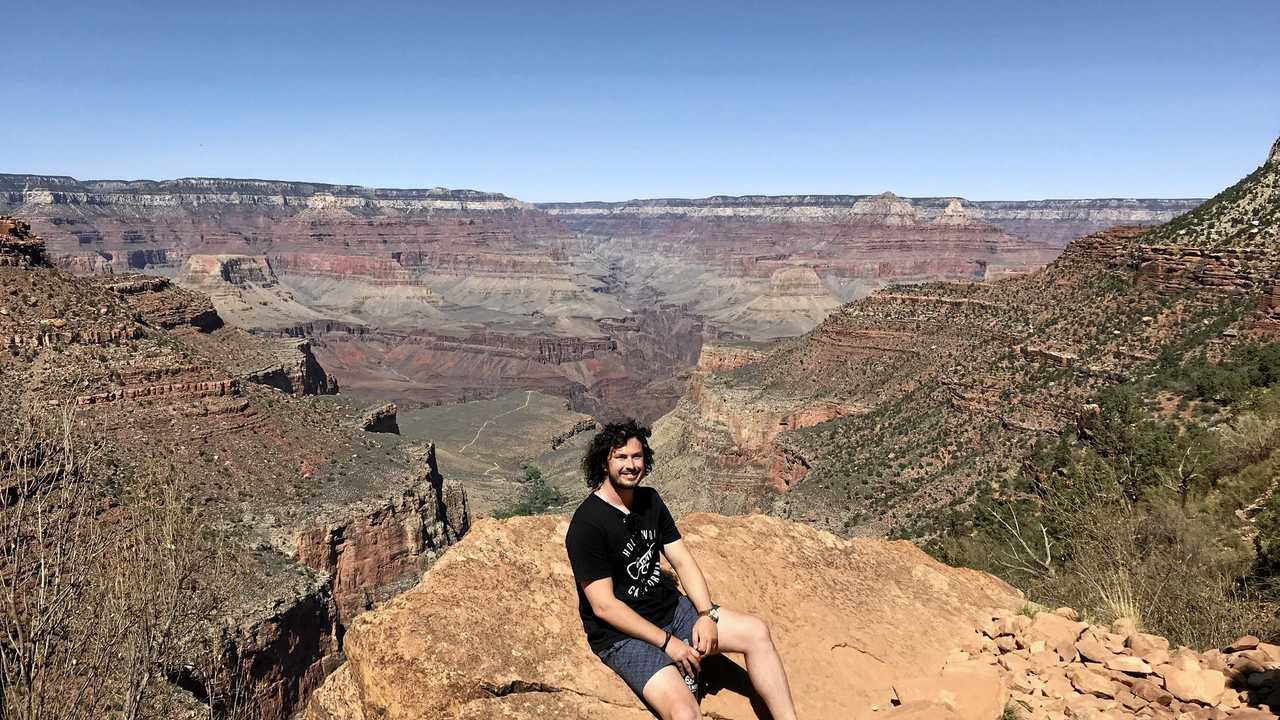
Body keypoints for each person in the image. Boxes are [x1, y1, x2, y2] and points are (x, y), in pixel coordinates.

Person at [564, 420, 798, 720]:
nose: (631, 465)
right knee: (685, 712)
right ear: (603, 462)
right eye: (620, 457)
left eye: (637, 457)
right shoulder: (587, 525)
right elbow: (604, 606)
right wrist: (668, 644)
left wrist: (704, 614)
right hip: (623, 636)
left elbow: (682, 560)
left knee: (756, 632)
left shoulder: (649, 501)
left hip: (673, 611)